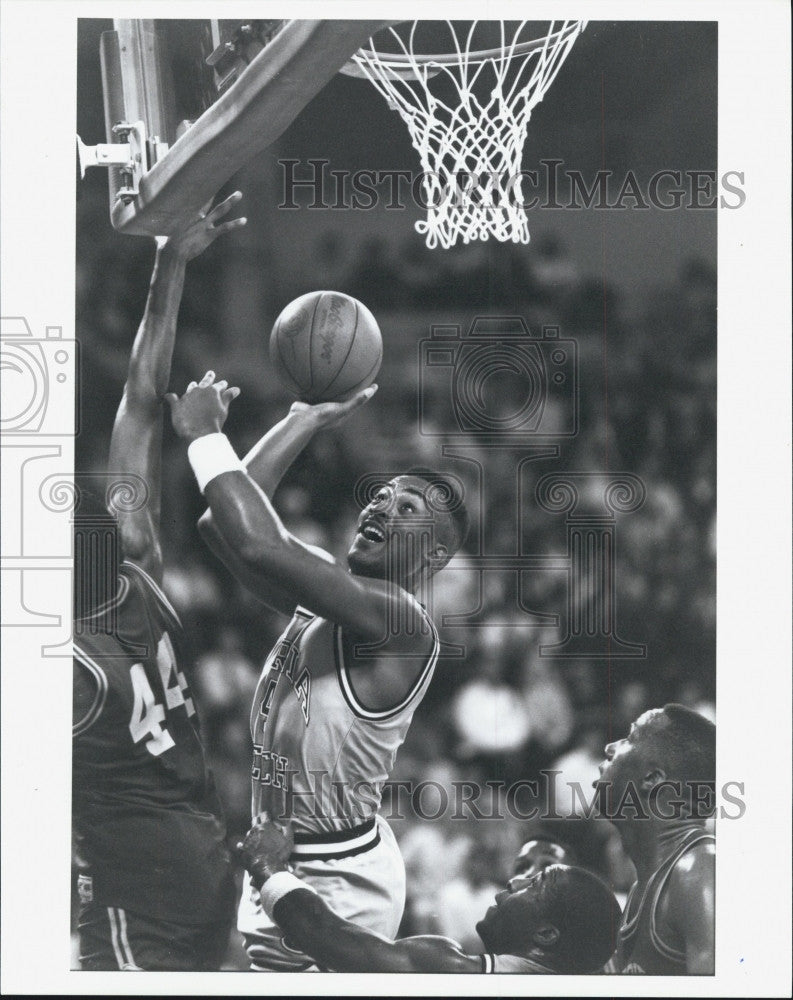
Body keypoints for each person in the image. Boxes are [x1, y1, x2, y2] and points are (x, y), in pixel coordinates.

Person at [166, 373, 468, 971]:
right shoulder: (327, 602)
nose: (382, 506)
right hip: (282, 849)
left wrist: (204, 437)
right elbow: (219, 528)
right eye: (381, 497)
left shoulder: (400, 620)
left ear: (434, 555)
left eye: (407, 509)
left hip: (336, 876)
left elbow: (259, 544)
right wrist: (302, 418)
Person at [72, 194, 246, 970]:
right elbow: (140, 403)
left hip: (142, 898)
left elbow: (141, 405)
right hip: (201, 853)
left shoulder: (75, 668)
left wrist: (169, 261)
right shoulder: (135, 560)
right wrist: (169, 262)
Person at [237, 818, 621, 974]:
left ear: (547, 936)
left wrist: (267, 869)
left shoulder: (456, 971)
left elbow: (328, 938)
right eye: (522, 872)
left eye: (535, 884)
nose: (514, 883)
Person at [596, 703, 716, 974]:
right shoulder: (643, 887)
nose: (609, 747)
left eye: (629, 738)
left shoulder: (698, 870)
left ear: (651, 778)